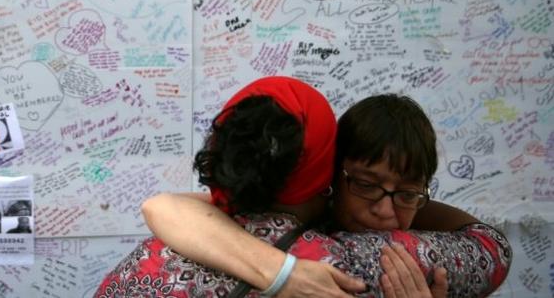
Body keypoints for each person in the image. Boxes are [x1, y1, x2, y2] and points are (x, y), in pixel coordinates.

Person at [96, 80, 511, 297]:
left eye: (407, 195)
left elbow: (163, 205)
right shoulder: (348, 270)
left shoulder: (174, 239)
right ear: (329, 175)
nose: (387, 212)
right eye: (366, 185)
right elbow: (491, 246)